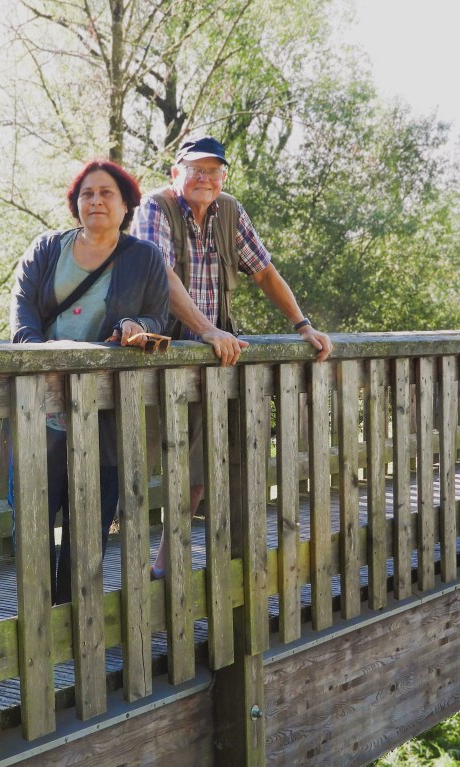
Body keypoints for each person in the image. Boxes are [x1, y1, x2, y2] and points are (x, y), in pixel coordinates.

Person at [133, 135, 333, 578]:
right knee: (133, 474)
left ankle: (165, 570)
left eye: (214, 171)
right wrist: (208, 329)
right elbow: (159, 274)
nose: (205, 179)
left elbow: (263, 270)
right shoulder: (154, 207)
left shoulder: (230, 210)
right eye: (195, 170)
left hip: (207, 366)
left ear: (223, 176)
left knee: (196, 474)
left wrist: (303, 326)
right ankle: (125, 572)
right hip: (150, 361)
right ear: (175, 173)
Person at [10, 159, 170, 604]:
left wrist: (137, 324)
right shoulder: (46, 249)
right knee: (33, 523)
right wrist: (40, 356)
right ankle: (36, 628)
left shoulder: (144, 257)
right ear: (76, 203)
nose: (96, 201)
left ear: (126, 205)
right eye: (87, 194)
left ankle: (77, 631)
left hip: (104, 414)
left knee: (89, 529)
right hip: (40, 408)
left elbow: (160, 315)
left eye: (106, 193)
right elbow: (22, 310)